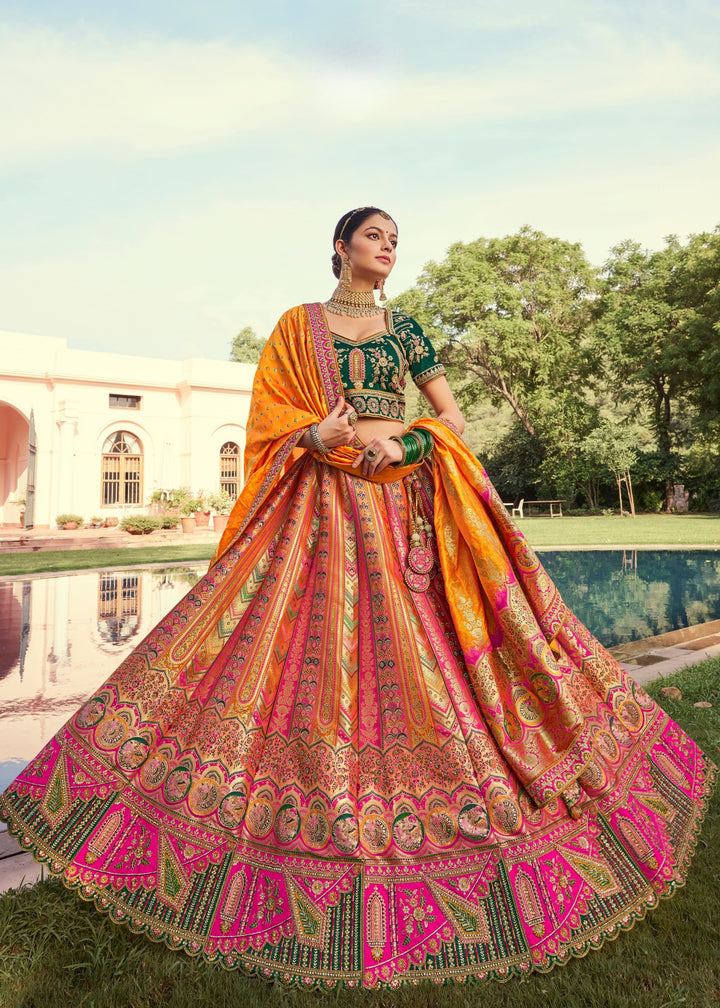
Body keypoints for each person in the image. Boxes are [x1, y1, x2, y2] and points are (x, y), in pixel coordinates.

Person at [1, 207, 715, 991]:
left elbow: (452, 418)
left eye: (396, 240)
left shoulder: (407, 330)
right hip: (319, 506)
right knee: (288, 647)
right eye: (376, 236)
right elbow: (270, 422)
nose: (389, 248)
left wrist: (403, 443)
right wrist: (313, 436)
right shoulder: (296, 328)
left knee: (427, 647)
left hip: (400, 500)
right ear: (341, 247)